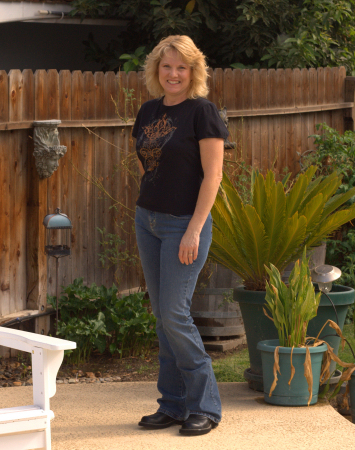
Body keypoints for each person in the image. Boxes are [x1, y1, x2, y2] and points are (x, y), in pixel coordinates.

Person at [132, 35, 229, 437]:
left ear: (194, 72)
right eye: (167, 66)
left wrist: (193, 229)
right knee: (163, 318)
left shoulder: (202, 112)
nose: (173, 73)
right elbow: (147, 165)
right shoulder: (148, 111)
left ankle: (205, 406)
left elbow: (214, 175)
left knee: (175, 314)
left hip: (184, 224)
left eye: (181, 67)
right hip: (148, 221)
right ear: (157, 70)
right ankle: (171, 404)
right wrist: (147, 208)